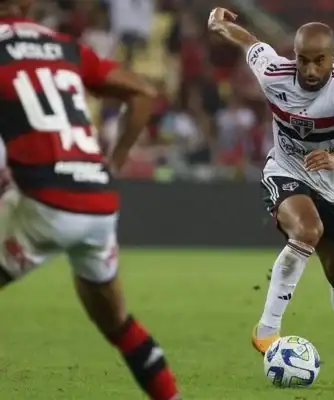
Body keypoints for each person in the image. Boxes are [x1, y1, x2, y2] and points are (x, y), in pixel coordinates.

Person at [0, 1, 180, 399]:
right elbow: (144, 92)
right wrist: (113, 162)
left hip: (43, 201)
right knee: (116, 321)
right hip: (96, 200)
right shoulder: (64, 46)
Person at [208, 7, 334, 383]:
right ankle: (267, 329)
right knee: (307, 230)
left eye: (319, 61)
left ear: (333, 58)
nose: (309, 70)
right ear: (295, 55)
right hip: (285, 171)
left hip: (332, 184)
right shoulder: (274, 73)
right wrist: (221, 24)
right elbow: (251, 43)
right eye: (303, 60)